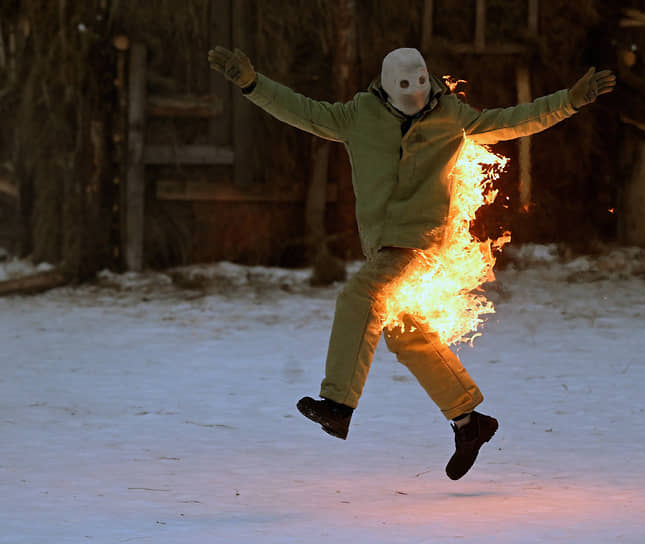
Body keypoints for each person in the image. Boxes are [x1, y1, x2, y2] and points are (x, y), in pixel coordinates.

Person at [208, 45, 615, 480]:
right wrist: (253, 84)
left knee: (359, 295)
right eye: (405, 86)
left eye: (421, 84)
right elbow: (301, 110)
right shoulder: (358, 115)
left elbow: (514, 119)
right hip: (383, 246)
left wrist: (569, 100)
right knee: (405, 334)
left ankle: (338, 405)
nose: (417, 94)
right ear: (386, 87)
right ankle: (468, 421)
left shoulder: (451, 115)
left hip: (422, 244)